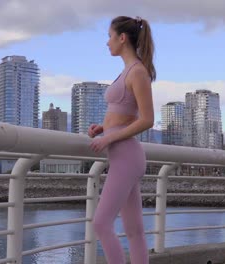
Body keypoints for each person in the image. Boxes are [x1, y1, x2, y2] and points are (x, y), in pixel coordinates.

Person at [88, 15, 155, 264]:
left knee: (102, 224)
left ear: (122, 38)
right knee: (134, 230)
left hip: (126, 156)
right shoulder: (127, 71)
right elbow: (125, 114)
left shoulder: (137, 72)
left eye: (109, 36)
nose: (107, 43)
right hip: (124, 155)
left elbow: (147, 119)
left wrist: (109, 138)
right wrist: (102, 129)